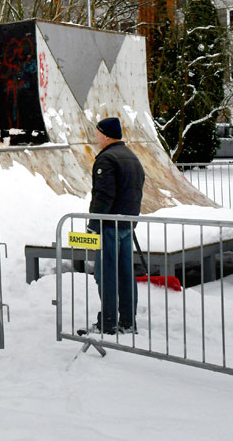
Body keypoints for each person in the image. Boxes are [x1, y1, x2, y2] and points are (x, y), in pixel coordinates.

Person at [87, 117, 145, 335]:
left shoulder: (107, 159)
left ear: (105, 134)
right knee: (126, 275)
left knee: (106, 275)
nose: (96, 138)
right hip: (126, 225)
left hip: (109, 225)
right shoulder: (131, 157)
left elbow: (104, 196)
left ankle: (108, 322)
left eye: (98, 134)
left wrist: (94, 225)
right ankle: (128, 321)